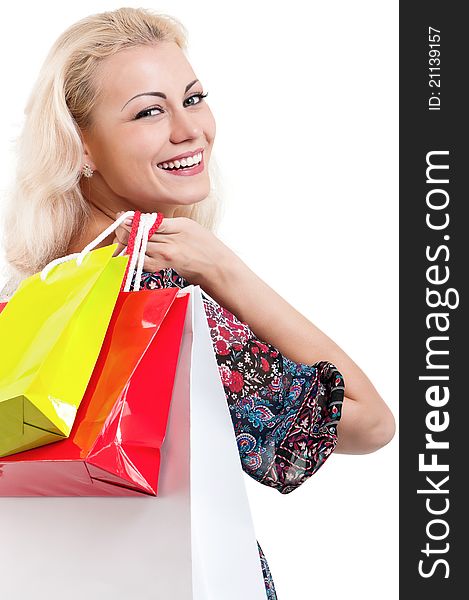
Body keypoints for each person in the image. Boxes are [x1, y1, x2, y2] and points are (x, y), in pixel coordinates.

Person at [0, 7, 396, 599]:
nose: (191, 130)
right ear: (81, 146)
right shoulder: (159, 300)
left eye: (193, 97)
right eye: (150, 111)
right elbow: (369, 421)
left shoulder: (25, 300)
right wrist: (224, 270)